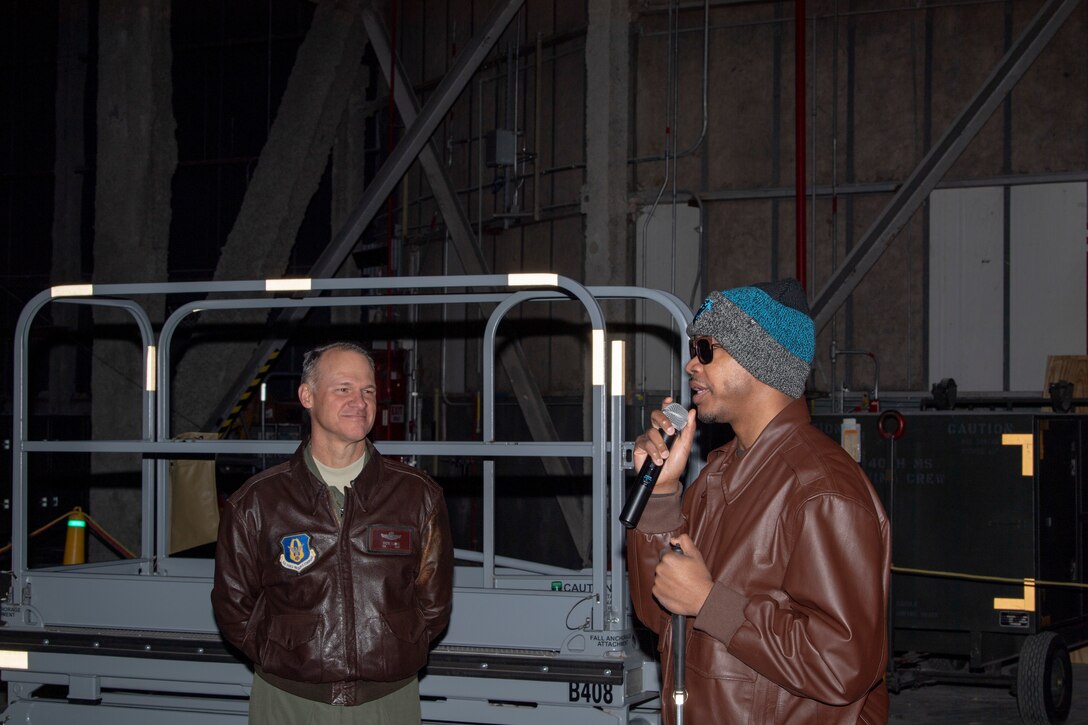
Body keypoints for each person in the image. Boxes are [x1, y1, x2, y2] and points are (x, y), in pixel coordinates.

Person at [626, 279, 891, 724]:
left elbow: (842, 665)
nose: (691, 364)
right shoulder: (716, 477)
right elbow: (661, 617)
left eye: (706, 349)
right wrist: (662, 497)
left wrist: (711, 603)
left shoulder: (821, 491)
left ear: (760, 360)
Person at [212, 342, 453, 724]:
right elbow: (233, 605)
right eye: (344, 388)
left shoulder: (416, 495)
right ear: (307, 396)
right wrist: (286, 656)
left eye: (368, 390)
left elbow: (434, 604)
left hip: (388, 700)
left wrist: (394, 647)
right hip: (289, 700)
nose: (360, 401)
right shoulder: (258, 501)